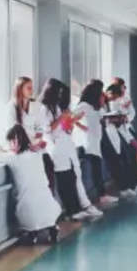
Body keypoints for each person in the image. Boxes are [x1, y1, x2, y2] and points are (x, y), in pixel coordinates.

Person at [0, 125, 61, 246]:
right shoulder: (37, 154)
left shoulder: (12, 159)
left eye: (10, 142)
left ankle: (32, 234)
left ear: (15, 141)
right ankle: (52, 229)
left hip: (28, 209)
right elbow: (39, 145)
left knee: (28, 215)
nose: (9, 146)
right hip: (49, 206)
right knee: (44, 210)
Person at [40, 79, 103, 221]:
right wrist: (63, 118)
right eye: (59, 92)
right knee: (63, 179)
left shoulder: (56, 107)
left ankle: (76, 207)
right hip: (55, 147)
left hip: (66, 144)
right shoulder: (44, 109)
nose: (61, 96)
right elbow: (47, 129)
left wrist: (70, 122)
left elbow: (65, 128)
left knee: (72, 176)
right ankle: (70, 210)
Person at [76, 80, 118, 207]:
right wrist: (83, 128)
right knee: (96, 169)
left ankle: (102, 194)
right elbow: (71, 119)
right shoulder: (83, 106)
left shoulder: (95, 107)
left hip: (96, 141)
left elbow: (103, 118)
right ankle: (102, 195)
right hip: (89, 143)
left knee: (97, 168)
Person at [103, 84, 137, 198]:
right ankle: (125, 187)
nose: (115, 98)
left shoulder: (113, 103)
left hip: (121, 134)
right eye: (115, 96)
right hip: (112, 136)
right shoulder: (106, 103)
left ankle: (131, 184)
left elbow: (124, 118)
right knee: (121, 161)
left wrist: (123, 115)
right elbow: (107, 120)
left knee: (130, 157)